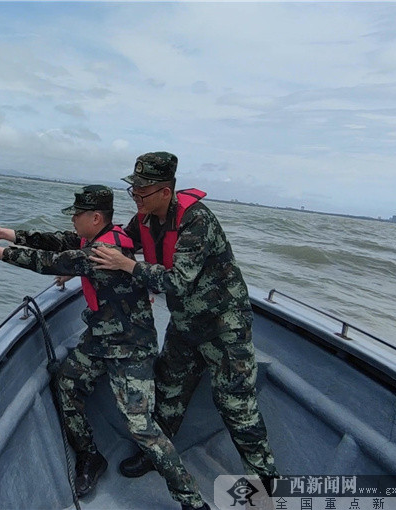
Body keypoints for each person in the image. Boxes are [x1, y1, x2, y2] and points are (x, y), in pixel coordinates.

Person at [0, 185, 212, 509]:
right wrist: (5, 233)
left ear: (95, 217)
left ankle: (192, 500)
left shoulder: (99, 254)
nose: (73, 221)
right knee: (66, 382)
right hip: (101, 338)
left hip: (130, 348)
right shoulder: (107, 237)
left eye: (77, 216)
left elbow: (49, 261)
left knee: (142, 428)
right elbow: (60, 242)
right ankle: (90, 456)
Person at [90, 152, 279, 494]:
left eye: (142, 192)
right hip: (185, 324)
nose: (135, 198)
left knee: (237, 406)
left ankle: (264, 485)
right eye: (133, 190)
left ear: (165, 192)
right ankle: (156, 455)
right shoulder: (145, 218)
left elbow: (178, 281)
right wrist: (81, 263)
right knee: (168, 389)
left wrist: (127, 266)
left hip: (225, 326)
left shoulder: (197, 221)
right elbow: (116, 242)